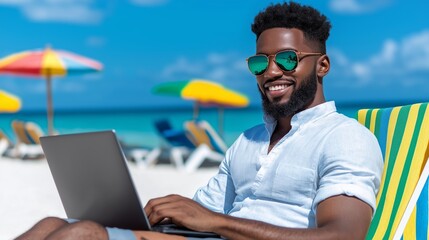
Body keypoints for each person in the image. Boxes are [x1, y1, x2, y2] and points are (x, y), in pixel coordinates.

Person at [17, 2, 383, 240]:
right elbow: (202, 212)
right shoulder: (249, 140)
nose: (271, 71)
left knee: (82, 234)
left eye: (287, 59)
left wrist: (216, 222)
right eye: (260, 62)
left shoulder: (345, 138)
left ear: (322, 65)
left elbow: (344, 235)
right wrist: (165, 215)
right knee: (53, 225)